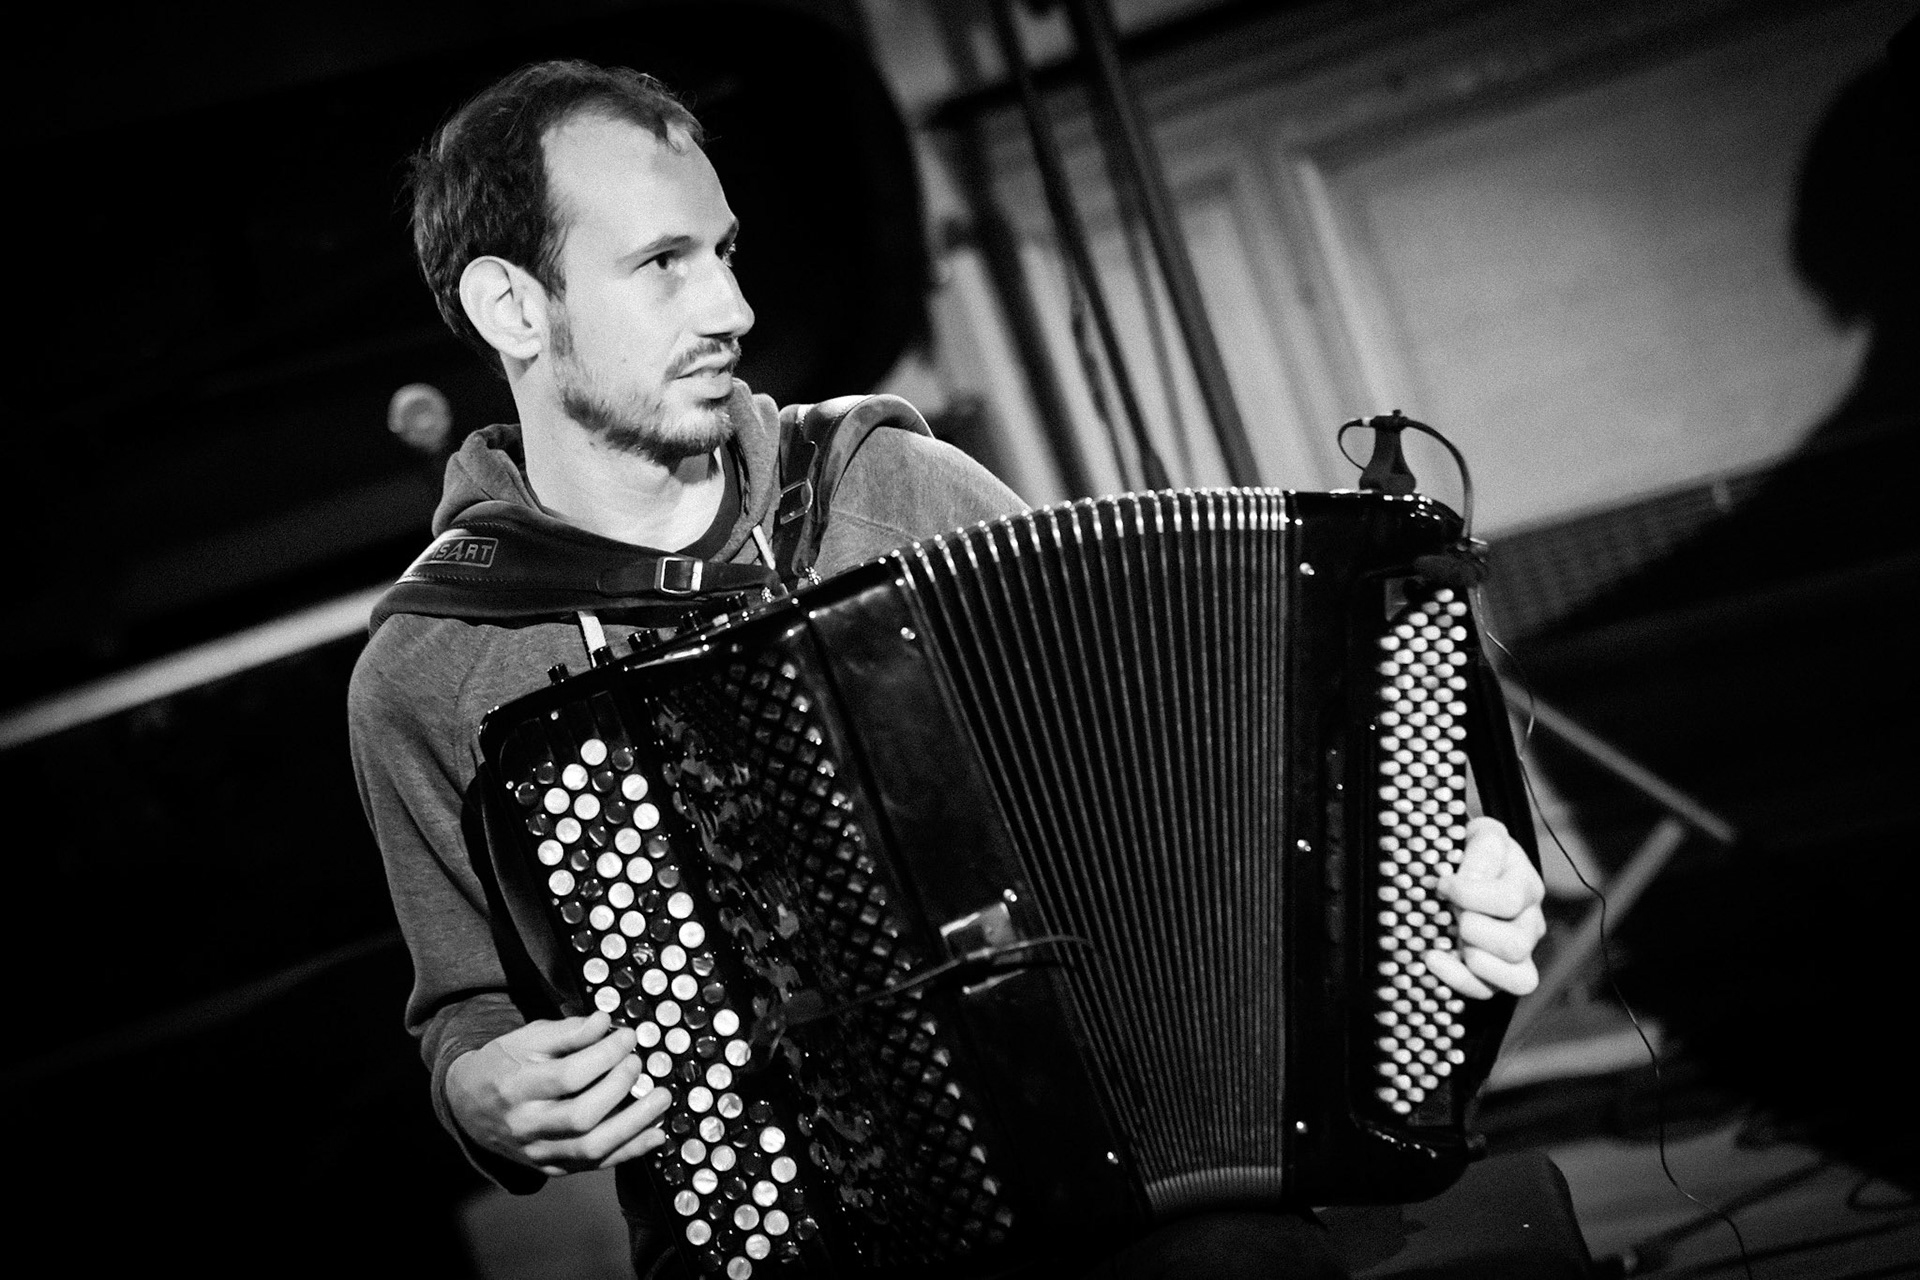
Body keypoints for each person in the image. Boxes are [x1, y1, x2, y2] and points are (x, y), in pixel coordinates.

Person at [348, 59, 1548, 1278]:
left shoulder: (890, 488)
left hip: (1118, 1167)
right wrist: (482, 1091)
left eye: (725, 250)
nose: (730, 307)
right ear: (512, 307)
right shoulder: (437, 663)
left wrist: (1417, 869)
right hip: (793, 1245)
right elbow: (465, 1004)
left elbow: (1183, 779)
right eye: (663, 264)